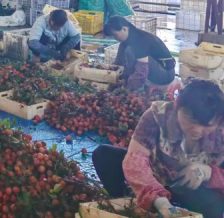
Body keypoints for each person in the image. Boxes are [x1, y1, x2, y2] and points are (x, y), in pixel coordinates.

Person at [92, 79, 224, 218]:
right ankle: (129, 205)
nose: (197, 130)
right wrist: (158, 200)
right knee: (104, 155)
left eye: (207, 126)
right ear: (177, 104)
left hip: (189, 187)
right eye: (191, 121)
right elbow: (136, 159)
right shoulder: (157, 116)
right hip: (154, 173)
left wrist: (207, 172)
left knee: (214, 205)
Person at [103, 16, 175, 91]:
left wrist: (129, 90)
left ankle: (136, 86)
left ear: (124, 29)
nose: (115, 38)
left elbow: (141, 71)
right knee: (125, 49)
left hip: (165, 74)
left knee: (130, 51)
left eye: (115, 35)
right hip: (155, 68)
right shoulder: (126, 40)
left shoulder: (139, 39)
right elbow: (118, 64)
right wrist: (111, 78)